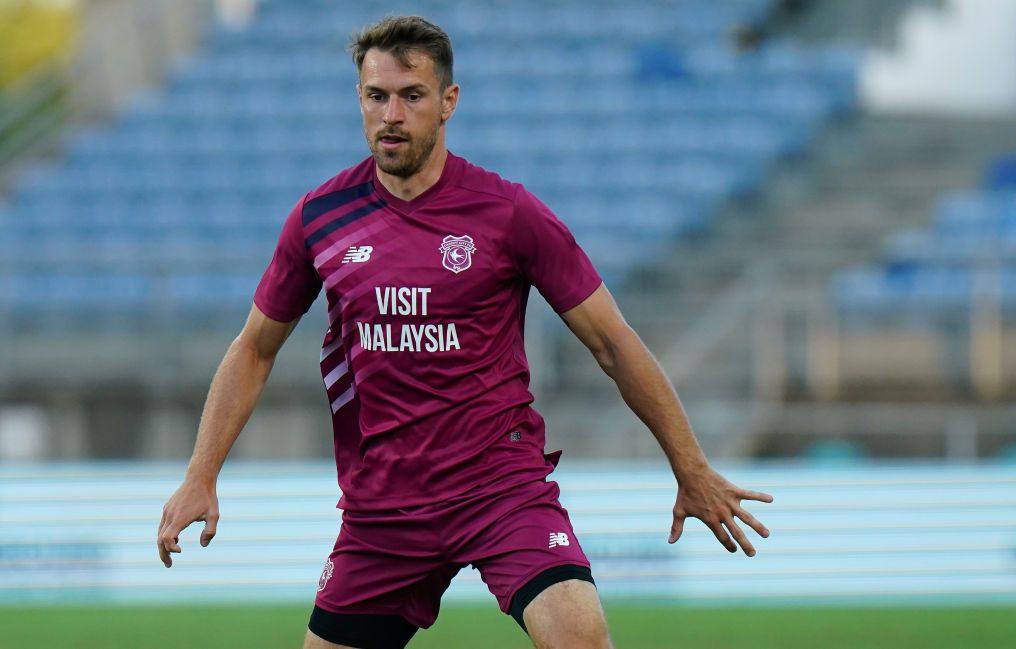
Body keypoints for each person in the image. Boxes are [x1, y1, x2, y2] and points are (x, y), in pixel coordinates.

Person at [156, 15, 773, 649]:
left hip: (499, 488)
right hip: (384, 509)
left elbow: (614, 344)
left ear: (448, 102)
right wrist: (201, 473)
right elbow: (254, 349)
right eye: (376, 96)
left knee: (581, 640)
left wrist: (690, 467)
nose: (391, 114)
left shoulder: (509, 214)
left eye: (412, 95)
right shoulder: (321, 218)